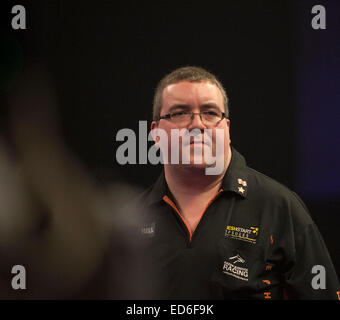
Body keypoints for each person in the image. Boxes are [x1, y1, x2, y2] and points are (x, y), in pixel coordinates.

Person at [135, 66, 340, 299]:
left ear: (227, 130)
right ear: (156, 134)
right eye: (180, 113)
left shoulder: (280, 208)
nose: (197, 125)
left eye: (210, 113)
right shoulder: (131, 221)